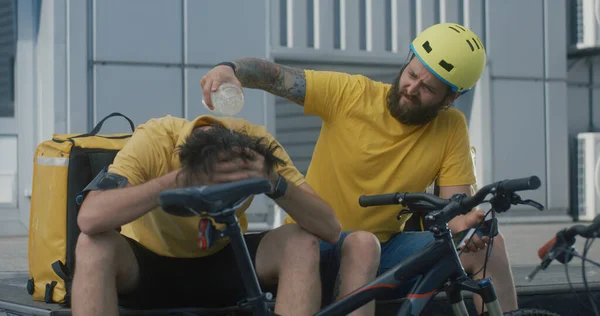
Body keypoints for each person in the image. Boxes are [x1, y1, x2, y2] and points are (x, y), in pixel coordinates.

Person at [200, 23, 518, 315]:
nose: (411, 88)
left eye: (428, 89)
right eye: (412, 74)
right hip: (317, 242)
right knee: (363, 244)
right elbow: (275, 77)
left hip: (388, 251)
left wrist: (470, 223)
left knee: (489, 244)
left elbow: (454, 210)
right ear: (407, 61)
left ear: (451, 98)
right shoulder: (351, 94)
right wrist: (231, 70)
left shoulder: (451, 127)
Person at [71, 114, 381, 316]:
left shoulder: (255, 145)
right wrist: (175, 182)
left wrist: (274, 182)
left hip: (224, 258)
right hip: (150, 263)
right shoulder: (154, 140)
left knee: (301, 242)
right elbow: (89, 218)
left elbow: (329, 228)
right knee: (92, 245)